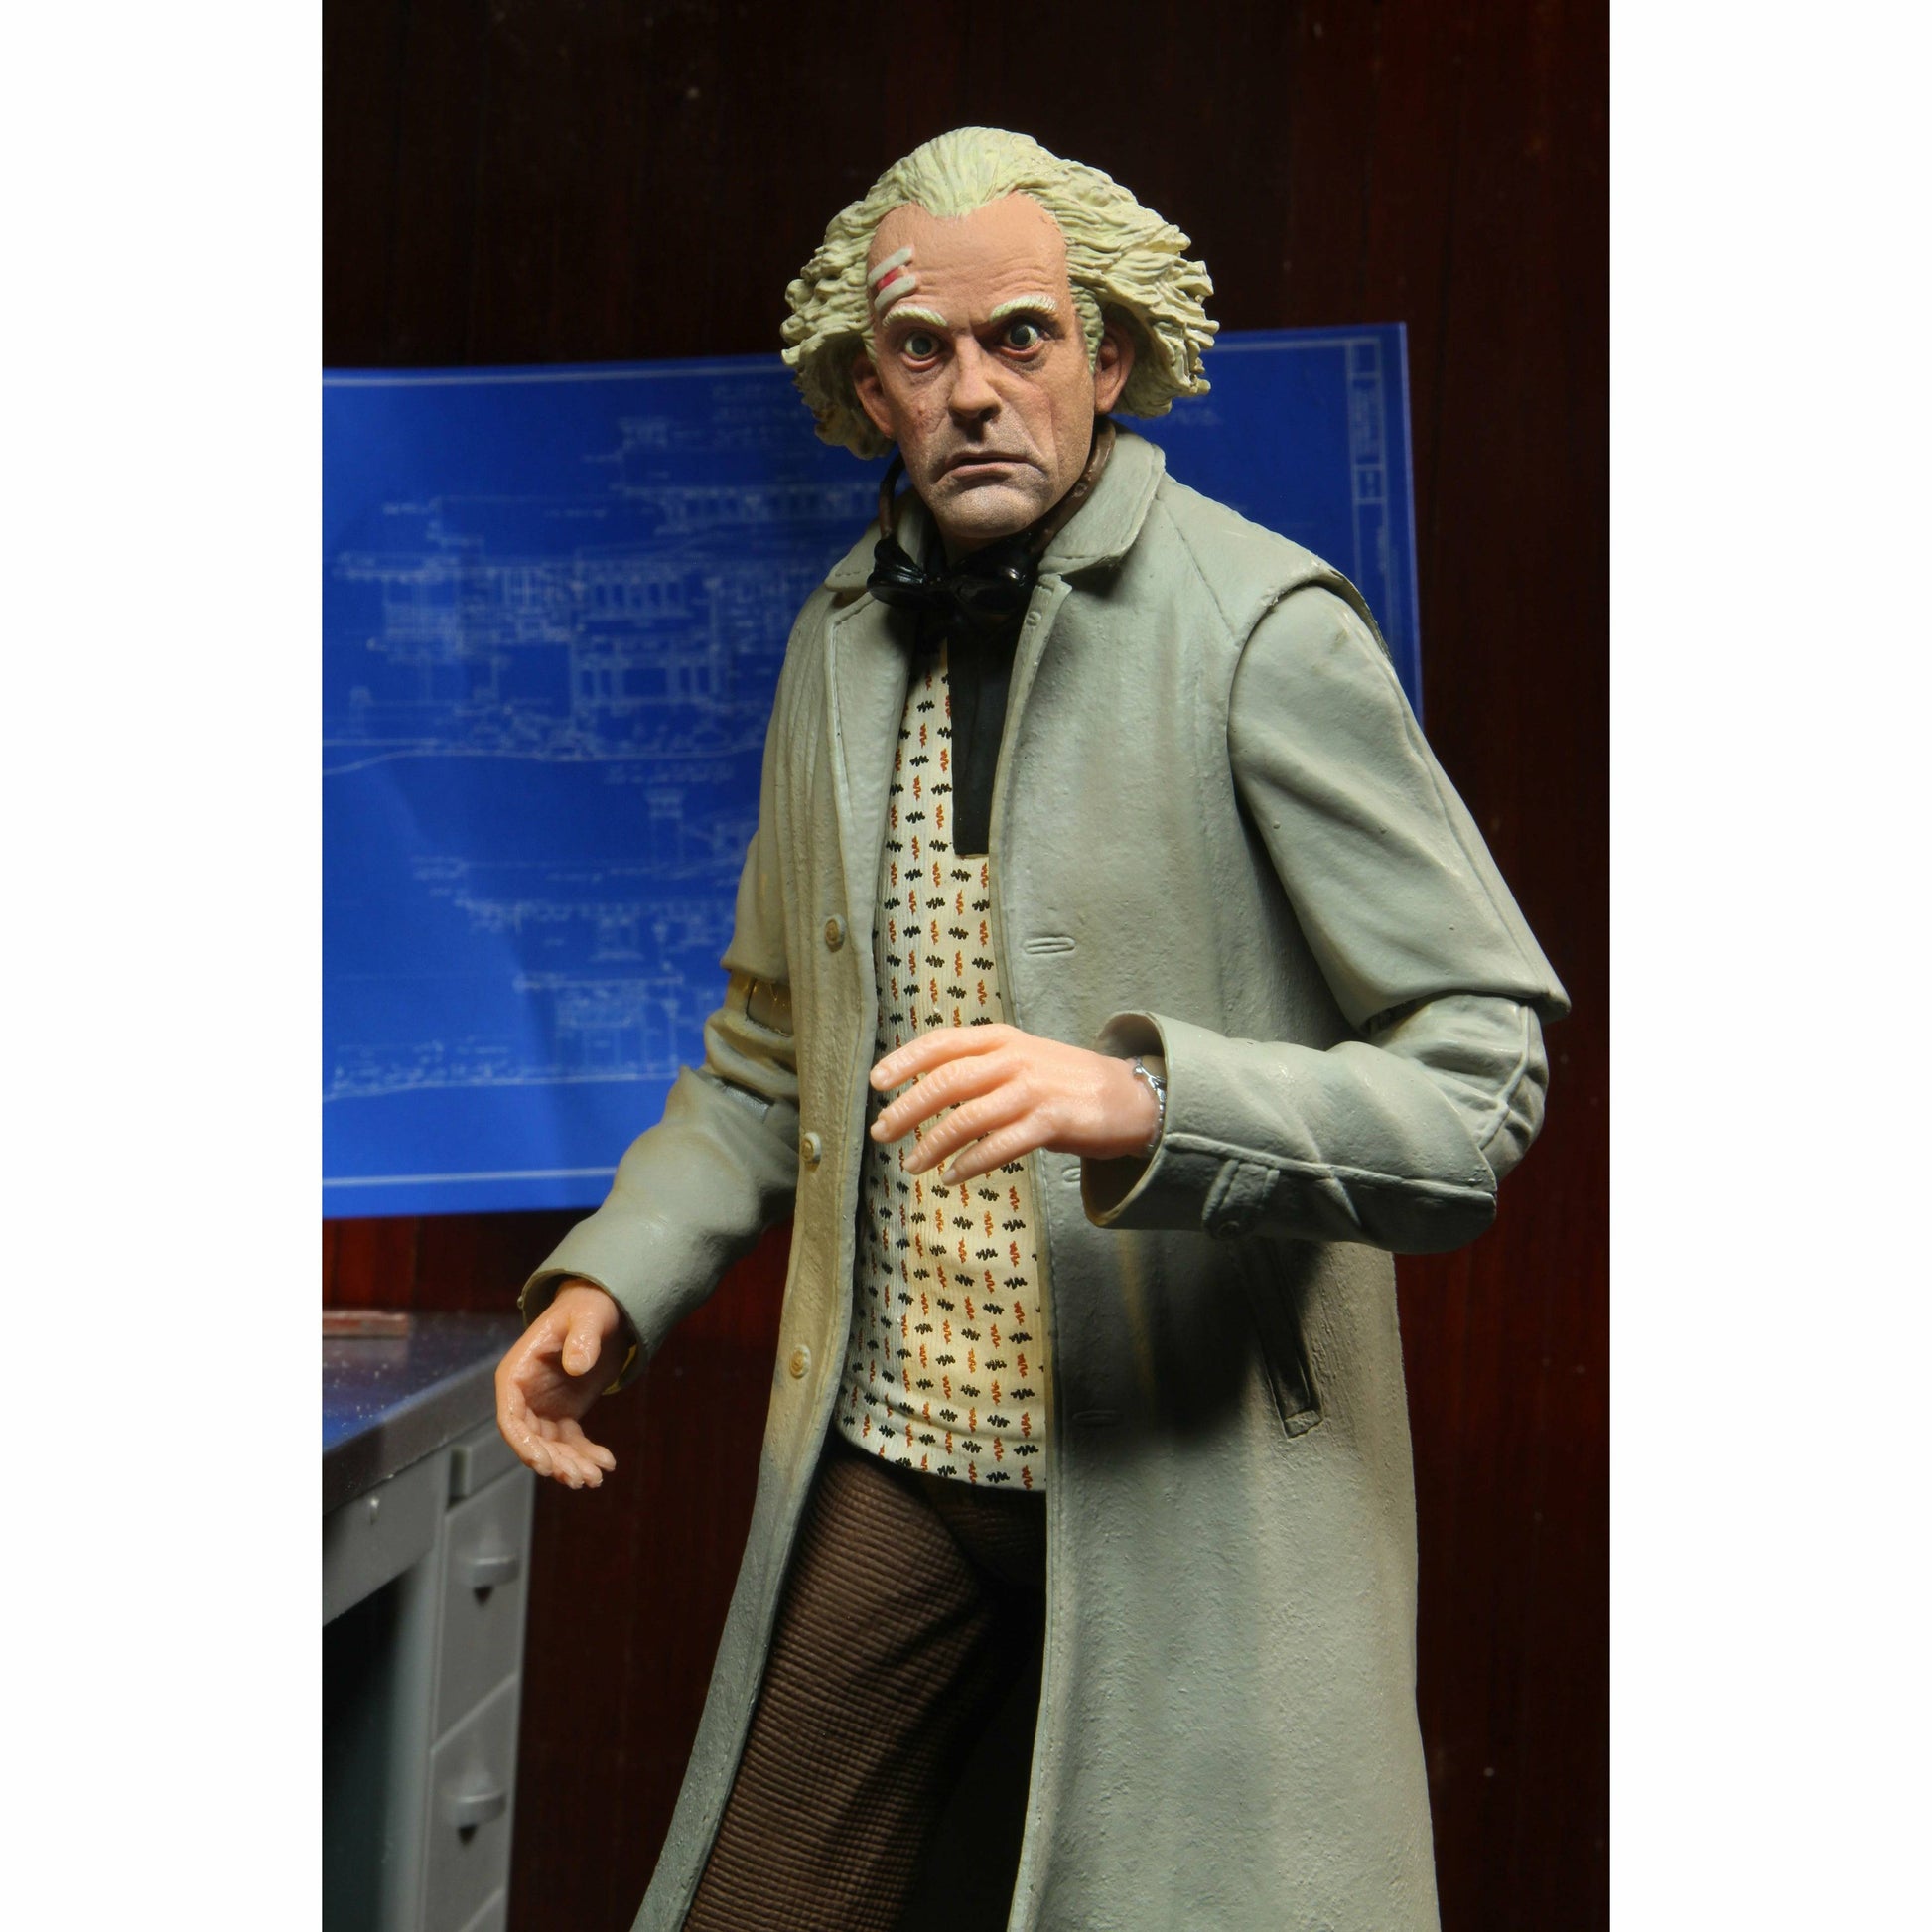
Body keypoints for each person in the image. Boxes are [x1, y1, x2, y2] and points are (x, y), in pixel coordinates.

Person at [494, 127, 1567, 1932]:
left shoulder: (1258, 626)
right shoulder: (836, 642)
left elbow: (1480, 1079)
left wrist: (1148, 1100)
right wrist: (615, 1278)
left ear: (1109, 357)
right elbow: (769, 1055)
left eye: (1023, 337)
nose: (975, 390)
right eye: (923, 349)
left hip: (1186, 1476)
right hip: (904, 1448)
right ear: (869, 387)